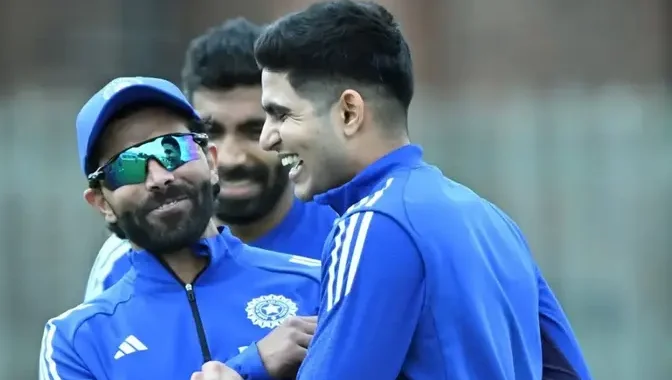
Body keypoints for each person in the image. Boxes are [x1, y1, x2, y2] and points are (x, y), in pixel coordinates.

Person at [249, 1, 591, 379]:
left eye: (281, 114)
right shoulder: (493, 221)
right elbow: (565, 371)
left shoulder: (372, 223)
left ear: (349, 112)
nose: (266, 138)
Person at [39, 76, 321, 380]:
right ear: (102, 203)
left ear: (211, 163)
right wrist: (250, 366)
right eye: (127, 166)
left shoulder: (315, 283)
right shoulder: (75, 342)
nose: (159, 178)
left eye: (172, 149)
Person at [83, 18, 337, 301]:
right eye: (211, 131)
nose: (231, 157)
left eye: (255, 130)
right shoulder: (123, 261)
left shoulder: (343, 233)